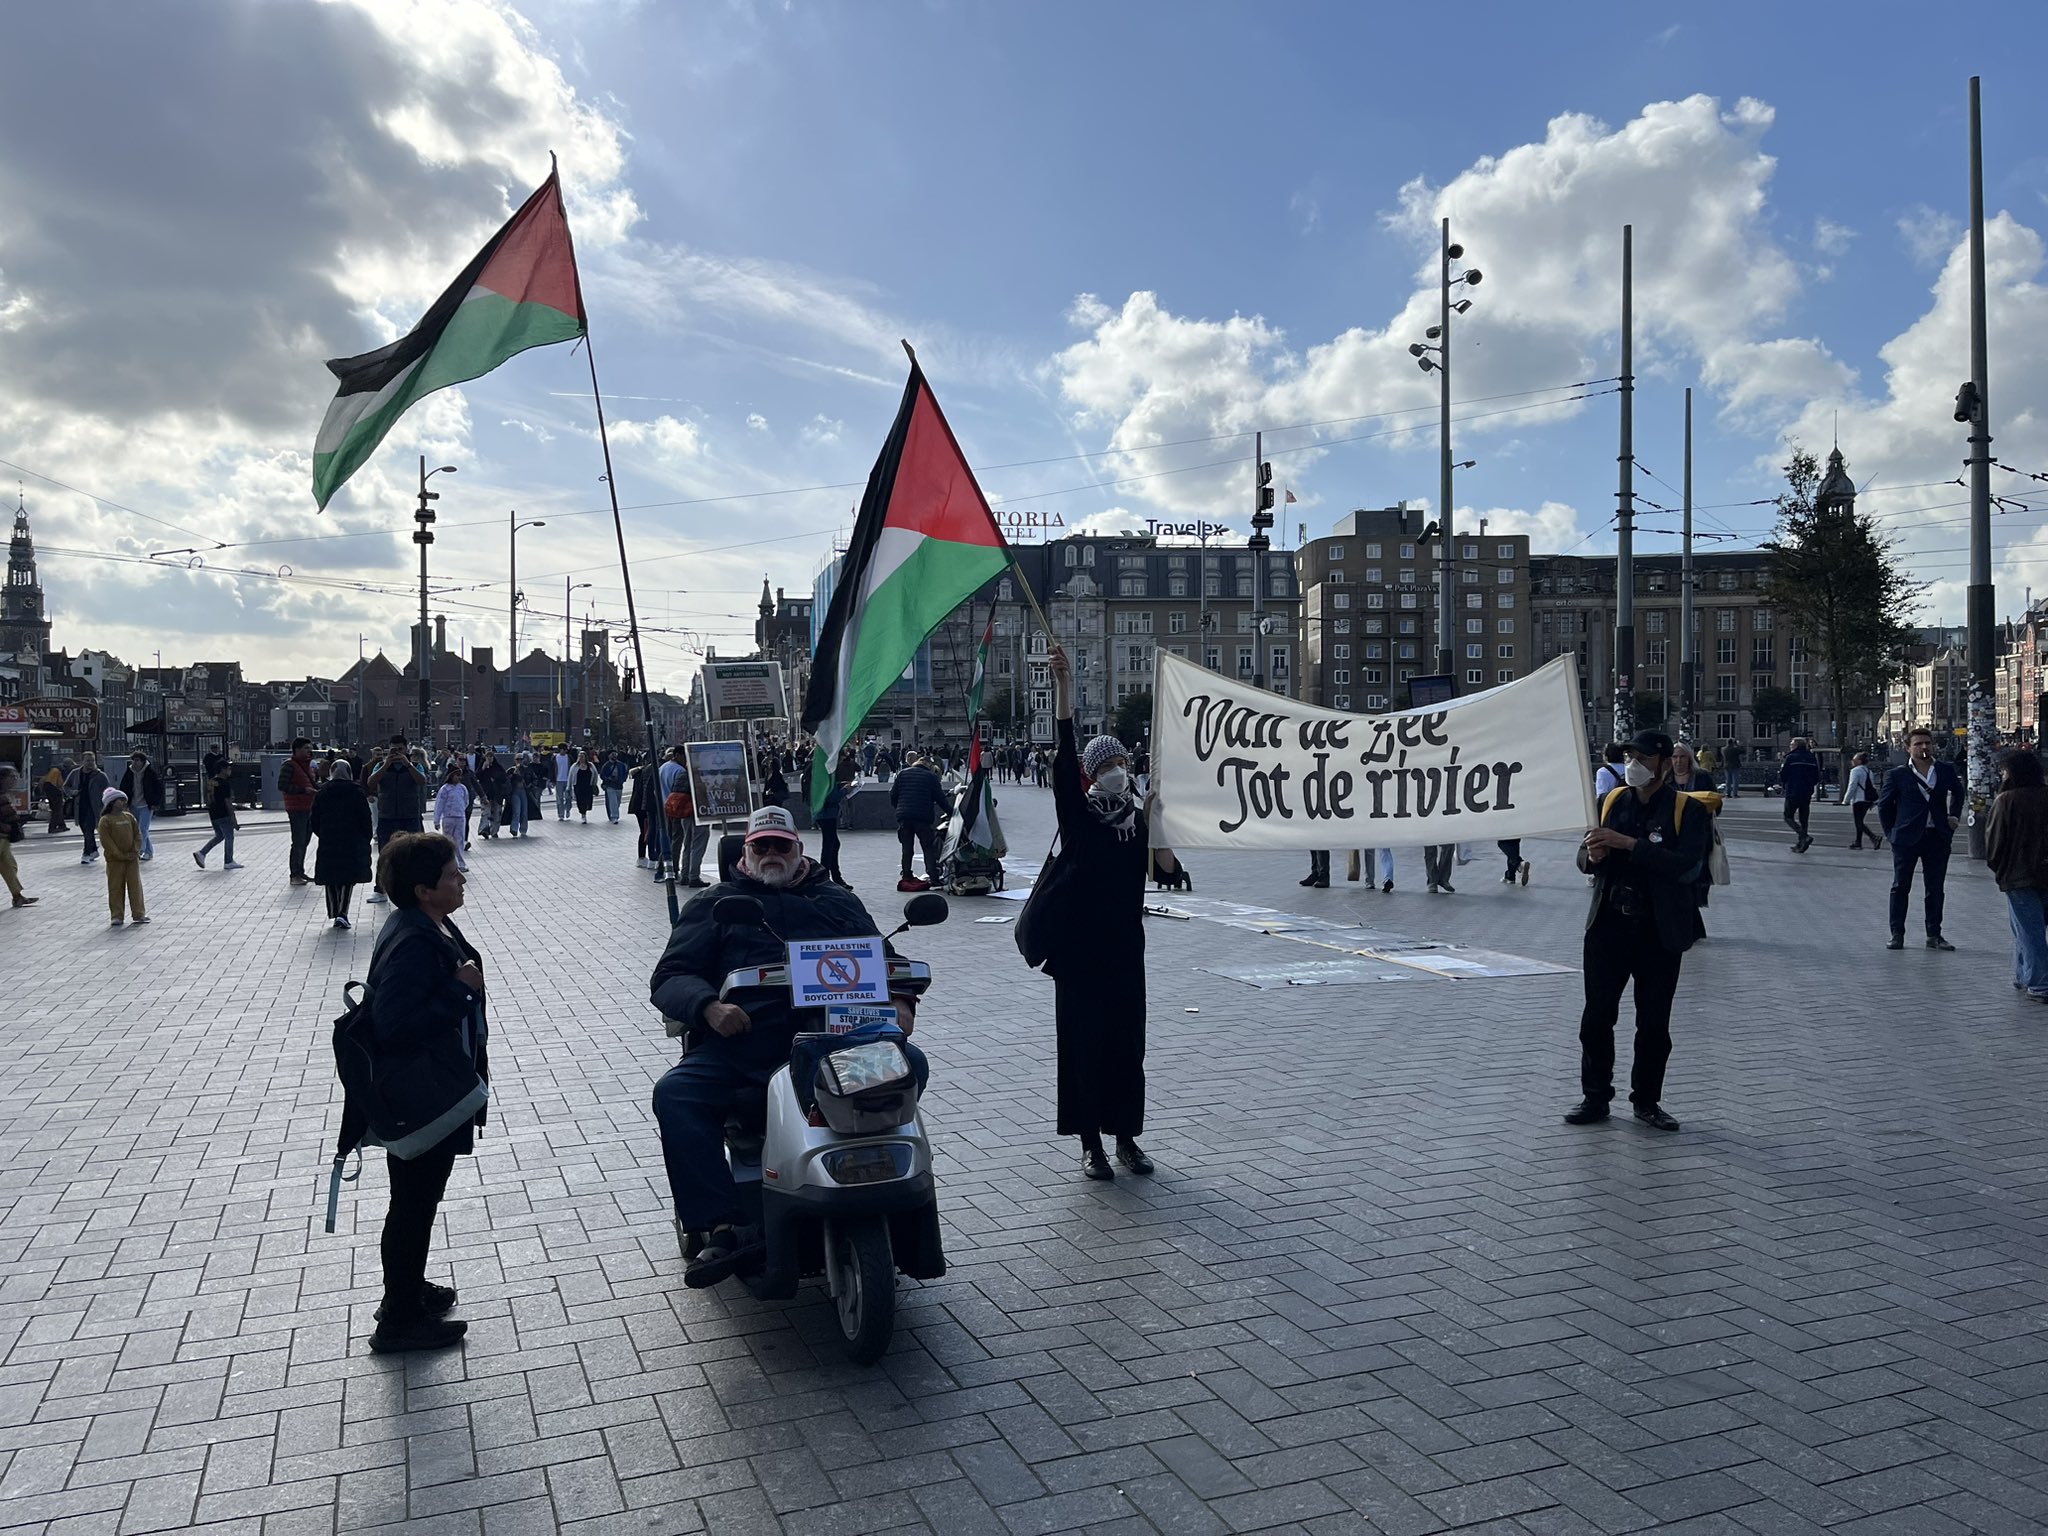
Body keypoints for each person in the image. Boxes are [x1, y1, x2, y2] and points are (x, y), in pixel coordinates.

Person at [648, 806, 924, 1286]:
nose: (772, 854)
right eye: (762, 846)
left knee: (910, 1062)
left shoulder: (835, 900)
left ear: (800, 849)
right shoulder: (716, 903)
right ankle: (720, 1224)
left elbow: (885, 957)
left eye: (782, 845)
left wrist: (901, 1000)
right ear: (747, 852)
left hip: (836, 1045)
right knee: (676, 1093)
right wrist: (710, 1006)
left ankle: (886, 1186)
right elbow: (670, 976)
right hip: (745, 1047)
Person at [1044, 647, 1179, 1180]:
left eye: (1122, 763)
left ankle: (1126, 1138)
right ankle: (1090, 1144)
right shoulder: (1080, 816)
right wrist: (1064, 694)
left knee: (1127, 1045)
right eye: (1107, 766)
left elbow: (1165, 872)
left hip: (1125, 950)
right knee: (1084, 1046)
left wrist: (1162, 822)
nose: (1118, 772)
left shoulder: (1138, 820)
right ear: (1092, 774)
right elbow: (1062, 758)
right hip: (1080, 956)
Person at [363, 832, 490, 1354]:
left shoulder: (425, 922)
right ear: (422, 890)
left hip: (434, 1088)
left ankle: (409, 1290)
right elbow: (392, 1024)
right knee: (413, 1202)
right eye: (451, 873)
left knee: (419, 1199)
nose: (461, 878)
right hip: (421, 1096)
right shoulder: (414, 941)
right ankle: (398, 1319)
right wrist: (460, 989)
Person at [1566, 729, 1711, 1134]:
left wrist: (1630, 845)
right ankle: (1595, 1097)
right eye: (1630, 756)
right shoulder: (1610, 801)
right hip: (1608, 925)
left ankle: (1647, 1101)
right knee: (1596, 1017)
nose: (1634, 765)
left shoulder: (1688, 810)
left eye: (1644, 758)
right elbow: (1585, 855)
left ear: (1664, 764)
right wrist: (1593, 856)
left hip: (1659, 930)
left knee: (1653, 1023)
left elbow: (1687, 867)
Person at [1878, 726, 1965, 951]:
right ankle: (1897, 934)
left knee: (1935, 887)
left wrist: (1954, 815)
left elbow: (1959, 791)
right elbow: (1885, 805)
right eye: (1918, 744)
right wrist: (1891, 833)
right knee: (1900, 886)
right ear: (1908, 748)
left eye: (1927, 743)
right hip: (1906, 838)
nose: (1924, 747)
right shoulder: (1897, 775)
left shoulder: (1944, 770)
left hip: (1937, 836)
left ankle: (1934, 934)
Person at [1986, 748, 2048, 1001]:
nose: (2002, 774)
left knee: (2027, 930)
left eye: (2004, 770)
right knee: (2031, 927)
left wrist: (2000, 869)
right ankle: (2023, 973)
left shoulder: (2006, 800)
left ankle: (2039, 983)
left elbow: (1995, 843)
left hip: (2018, 875)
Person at [365, 738, 428, 904]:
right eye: (393, 749)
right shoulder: (381, 766)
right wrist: (386, 765)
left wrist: (408, 764)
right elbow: (371, 782)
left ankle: (416, 888)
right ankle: (380, 889)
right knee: (385, 853)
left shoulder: (414, 765)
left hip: (410, 815)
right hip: (387, 816)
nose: (397, 753)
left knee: (414, 853)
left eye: (400, 749)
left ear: (406, 749)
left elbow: (422, 781)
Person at [311, 760, 373, 929]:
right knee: (348, 877)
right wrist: (365, 837)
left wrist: (322, 833)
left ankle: (333, 910)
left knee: (330, 876)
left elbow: (314, 818)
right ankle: (342, 912)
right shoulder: (356, 791)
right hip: (351, 840)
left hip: (329, 839)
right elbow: (365, 817)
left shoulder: (322, 792)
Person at [1669, 742, 1723, 917]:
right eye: (1674, 757)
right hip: (1672, 837)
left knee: (1697, 878)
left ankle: (1692, 915)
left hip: (1699, 836)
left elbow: (1716, 805)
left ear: (1690, 758)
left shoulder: (1702, 777)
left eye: (1682, 756)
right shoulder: (1664, 778)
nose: (1678, 761)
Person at [890, 750, 944, 892]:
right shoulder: (931, 777)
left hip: (904, 817)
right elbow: (941, 799)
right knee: (928, 848)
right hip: (922, 818)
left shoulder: (902, 774)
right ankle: (934, 878)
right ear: (928, 766)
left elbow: (893, 794)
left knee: (907, 848)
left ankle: (906, 875)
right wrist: (953, 813)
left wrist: (899, 809)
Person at [98, 787, 146, 926]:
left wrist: (135, 851)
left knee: (135, 886)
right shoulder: (105, 820)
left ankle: (139, 913)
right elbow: (106, 841)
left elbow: (138, 835)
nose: (123, 802)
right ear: (111, 803)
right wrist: (118, 854)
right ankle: (116, 915)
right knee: (115, 887)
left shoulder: (129, 817)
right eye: (120, 800)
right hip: (115, 861)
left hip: (132, 859)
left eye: (124, 800)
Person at [281, 737, 320, 885]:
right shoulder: (289, 766)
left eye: (310, 748)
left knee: (305, 841)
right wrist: (304, 790)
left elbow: (313, 783)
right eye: (306, 748)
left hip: (308, 807)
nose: (309, 751)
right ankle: (294, 874)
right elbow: (282, 785)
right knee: (298, 842)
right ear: (296, 750)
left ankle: (300, 871)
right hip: (296, 808)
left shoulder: (307, 766)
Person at [193, 761, 242, 869]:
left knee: (220, 835)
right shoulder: (224, 784)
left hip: (213, 813)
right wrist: (234, 820)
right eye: (228, 768)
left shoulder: (211, 782)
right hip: (224, 813)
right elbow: (227, 802)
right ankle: (228, 861)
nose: (230, 770)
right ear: (222, 769)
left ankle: (202, 853)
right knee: (229, 836)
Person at [118, 751, 164, 861]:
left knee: (143, 828)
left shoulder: (150, 772)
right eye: (134, 760)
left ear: (143, 761)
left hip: (146, 805)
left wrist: (155, 803)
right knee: (138, 829)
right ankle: (149, 852)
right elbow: (124, 787)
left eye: (137, 760)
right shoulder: (129, 772)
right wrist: (124, 802)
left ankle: (139, 850)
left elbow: (158, 788)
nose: (135, 763)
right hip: (133, 804)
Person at [65, 752, 109, 865]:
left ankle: (86, 853)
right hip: (80, 806)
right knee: (85, 830)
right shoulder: (75, 773)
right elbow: (66, 786)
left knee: (89, 830)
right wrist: (71, 792)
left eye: (92, 760)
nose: (90, 763)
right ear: (82, 761)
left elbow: (108, 791)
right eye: (88, 760)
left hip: (94, 807)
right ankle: (94, 850)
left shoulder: (100, 775)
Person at [0, 767, 36, 908]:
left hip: (4, 838)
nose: (15, 779)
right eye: (12, 777)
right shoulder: (2, 796)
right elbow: (8, 815)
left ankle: (17, 896)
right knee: (9, 866)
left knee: (10, 866)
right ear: (3, 779)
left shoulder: (5, 794)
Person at [1780, 737, 1820, 853]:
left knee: (1788, 816)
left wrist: (1785, 784)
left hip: (1793, 790)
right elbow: (1816, 776)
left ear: (1796, 746)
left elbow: (1783, 774)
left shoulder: (1790, 757)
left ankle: (1804, 836)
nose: (1790, 746)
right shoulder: (1811, 757)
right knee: (1804, 817)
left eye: (1791, 744)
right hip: (1806, 791)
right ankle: (1801, 843)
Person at [434, 762, 473, 873]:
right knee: (448, 841)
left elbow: (466, 801)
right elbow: (439, 805)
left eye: (460, 775)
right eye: (457, 775)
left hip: (460, 817)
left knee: (459, 841)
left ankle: (461, 863)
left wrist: (460, 810)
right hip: (448, 818)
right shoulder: (445, 789)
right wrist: (437, 820)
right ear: (451, 776)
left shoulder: (462, 788)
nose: (459, 777)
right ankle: (448, 863)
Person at [815, 772, 849, 887]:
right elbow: (831, 797)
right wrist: (845, 790)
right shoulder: (827, 774)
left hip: (823, 814)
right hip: (827, 814)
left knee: (832, 844)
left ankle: (834, 877)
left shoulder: (822, 773)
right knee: (830, 845)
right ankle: (825, 877)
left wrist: (839, 785)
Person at [1841, 751, 1881, 849]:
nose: (1852, 761)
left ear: (1859, 761)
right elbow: (1872, 786)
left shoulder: (1855, 771)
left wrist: (1846, 800)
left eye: (1854, 759)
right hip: (1867, 800)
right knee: (1860, 821)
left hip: (1859, 799)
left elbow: (1852, 786)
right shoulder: (1868, 771)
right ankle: (1858, 842)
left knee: (1858, 822)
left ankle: (1874, 837)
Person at [600, 750, 627, 824]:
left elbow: (625, 772)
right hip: (610, 785)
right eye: (612, 754)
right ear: (609, 756)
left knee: (617, 801)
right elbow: (602, 775)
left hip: (619, 785)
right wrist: (608, 779)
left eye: (615, 754)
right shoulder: (606, 765)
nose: (614, 755)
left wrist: (623, 779)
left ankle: (613, 812)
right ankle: (614, 816)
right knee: (613, 801)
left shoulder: (621, 765)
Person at [571, 750, 599, 823]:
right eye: (579, 756)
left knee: (587, 801)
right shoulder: (575, 766)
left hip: (588, 786)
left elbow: (595, 774)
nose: (581, 758)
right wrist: (569, 787)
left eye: (582, 756)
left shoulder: (590, 765)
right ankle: (583, 815)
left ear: (585, 757)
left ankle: (584, 812)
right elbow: (571, 776)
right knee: (580, 801)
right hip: (578, 786)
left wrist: (594, 783)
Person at [554, 746, 573, 821]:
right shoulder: (555, 758)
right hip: (558, 780)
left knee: (568, 797)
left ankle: (567, 809)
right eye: (564, 750)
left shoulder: (569, 758)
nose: (565, 751)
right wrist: (552, 779)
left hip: (568, 780)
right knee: (560, 798)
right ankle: (561, 814)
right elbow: (552, 769)